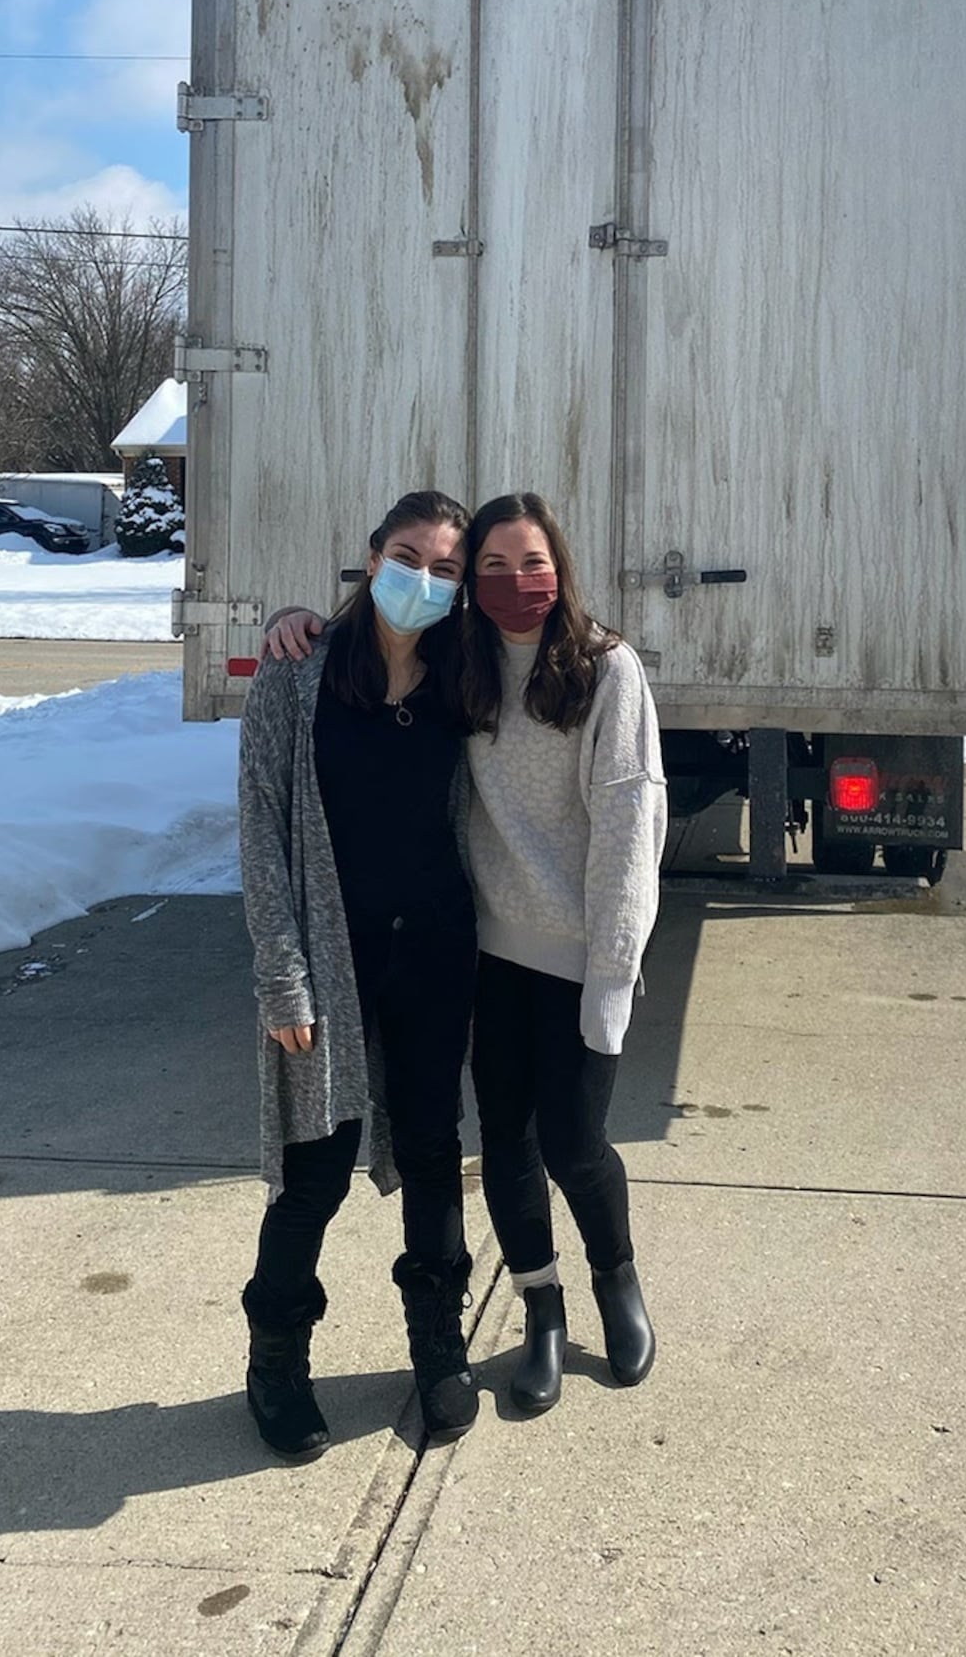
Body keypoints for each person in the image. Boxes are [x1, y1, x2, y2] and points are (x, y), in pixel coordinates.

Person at [265, 490, 668, 1415]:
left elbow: (629, 832)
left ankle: (606, 1285)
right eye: (485, 567)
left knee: (559, 1141)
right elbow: (364, 661)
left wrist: (612, 975)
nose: (509, 583)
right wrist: (297, 621)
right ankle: (538, 1311)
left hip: (534, 956)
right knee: (468, 1150)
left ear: (561, 565)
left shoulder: (590, 670)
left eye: (529, 563)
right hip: (455, 950)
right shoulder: (454, 663)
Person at [237, 489, 481, 1459]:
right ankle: (276, 1361)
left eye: (446, 568)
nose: (423, 579)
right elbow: (261, 830)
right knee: (315, 1172)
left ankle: (438, 1348)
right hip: (329, 963)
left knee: (431, 1156)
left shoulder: (464, 680)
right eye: (408, 555)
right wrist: (281, 977)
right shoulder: (296, 676)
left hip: (432, 949)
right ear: (371, 555)